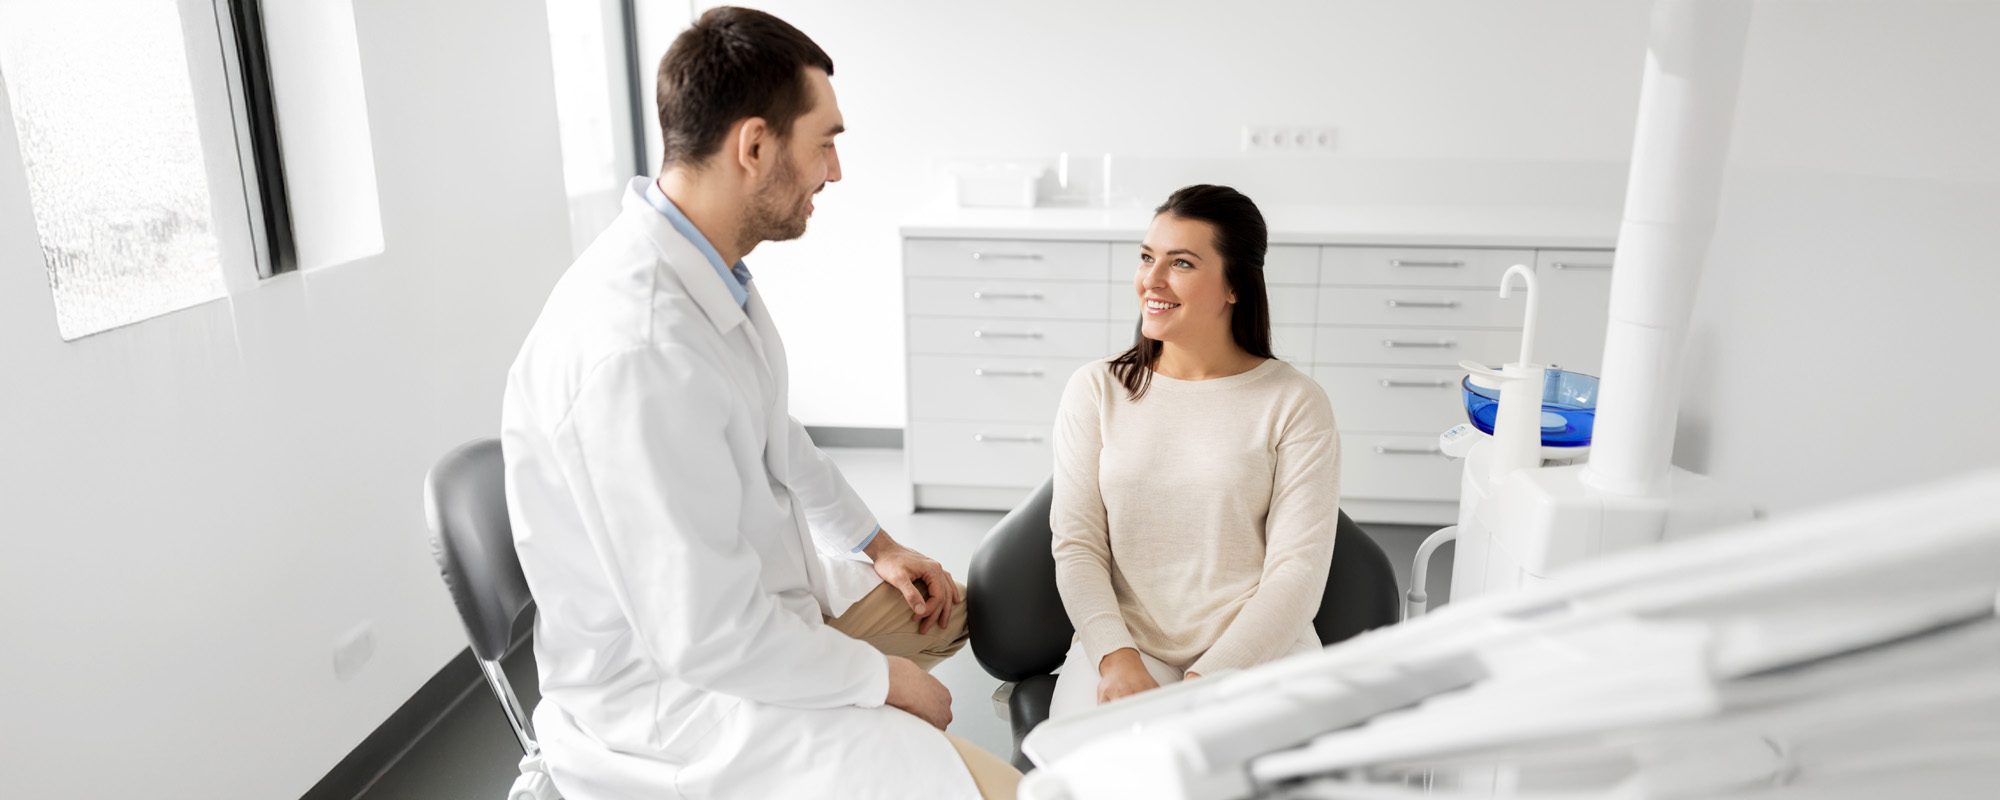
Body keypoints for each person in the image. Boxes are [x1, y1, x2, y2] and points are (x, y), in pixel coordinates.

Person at [500, 8, 1019, 799]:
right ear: (753, 146)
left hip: (753, 613)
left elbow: (774, 428)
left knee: (946, 612)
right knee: (989, 790)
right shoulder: (638, 352)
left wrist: (877, 543)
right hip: (678, 701)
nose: (835, 172)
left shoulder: (708, 274)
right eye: (826, 142)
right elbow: (706, 636)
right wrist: (883, 684)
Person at [1047, 185, 1342, 717]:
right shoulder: (1096, 390)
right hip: (1127, 649)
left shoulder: (1294, 403)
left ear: (1234, 285)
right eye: (1146, 257)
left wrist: (1206, 680)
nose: (1151, 281)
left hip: (1257, 650)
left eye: (1180, 262)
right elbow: (1077, 545)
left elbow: (1297, 573)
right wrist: (1115, 657)